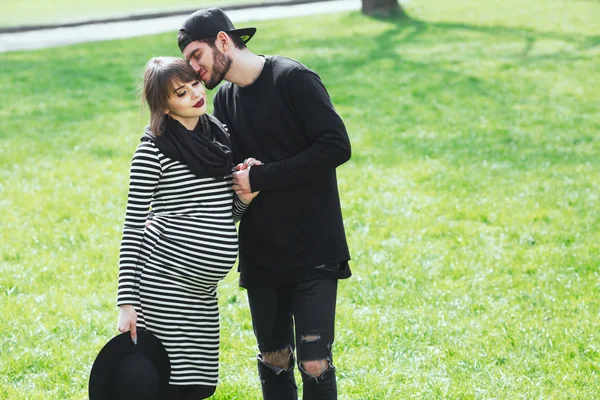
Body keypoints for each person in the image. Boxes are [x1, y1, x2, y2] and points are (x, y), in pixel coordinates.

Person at [177, 8, 352, 399]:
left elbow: (336, 146)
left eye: (196, 56)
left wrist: (261, 176)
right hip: (261, 251)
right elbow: (227, 173)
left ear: (223, 41)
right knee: (273, 358)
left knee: (314, 362)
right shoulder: (223, 102)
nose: (194, 69)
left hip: (314, 245)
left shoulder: (292, 78)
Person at [115, 56, 259, 400]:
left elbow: (224, 213)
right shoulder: (152, 149)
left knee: (200, 385)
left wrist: (247, 195)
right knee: (167, 386)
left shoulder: (217, 137)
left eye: (194, 83)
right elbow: (133, 225)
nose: (195, 93)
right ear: (164, 107)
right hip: (162, 285)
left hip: (202, 294)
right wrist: (126, 302)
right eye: (181, 92)